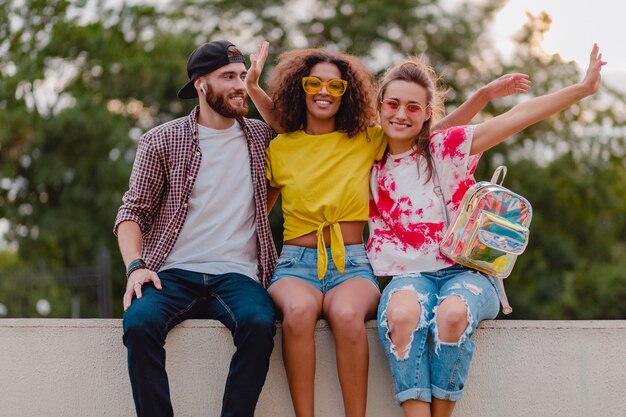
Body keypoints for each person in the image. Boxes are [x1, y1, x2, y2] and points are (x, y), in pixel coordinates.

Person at [244, 41, 531, 417]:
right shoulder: (281, 147)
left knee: (347, 316)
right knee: (297, 313)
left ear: (349, 94)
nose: (324, 92)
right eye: (313, 85)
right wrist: (253, 88)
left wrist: (481, 95)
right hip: (296, 261)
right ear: (300, 89)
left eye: (336, 86)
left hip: (352, 261)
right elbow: (284, 157)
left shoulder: (367, 139)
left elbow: (431, 133)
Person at [368, 44, 605, 417]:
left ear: (428, 114)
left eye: (413, 107)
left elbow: (518, 116)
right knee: (401, 316)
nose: (401, 114)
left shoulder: (445, 146)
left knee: (451, 315)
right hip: (407, 275)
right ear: (379, 106)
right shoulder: (365, 157)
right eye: (393, 104)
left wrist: (581, 88)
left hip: (468, 271)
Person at [113, 40, 278, 417]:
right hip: (172, 272)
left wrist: (255, 85)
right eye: (229, 77)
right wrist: (136, 266)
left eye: (243, 75)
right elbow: (132, 212)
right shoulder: (161, 140)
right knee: (138, 324)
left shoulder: (262, 137)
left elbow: (291, 139)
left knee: (259, 323)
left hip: (239, 275)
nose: (240, 84)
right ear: (201, 85)